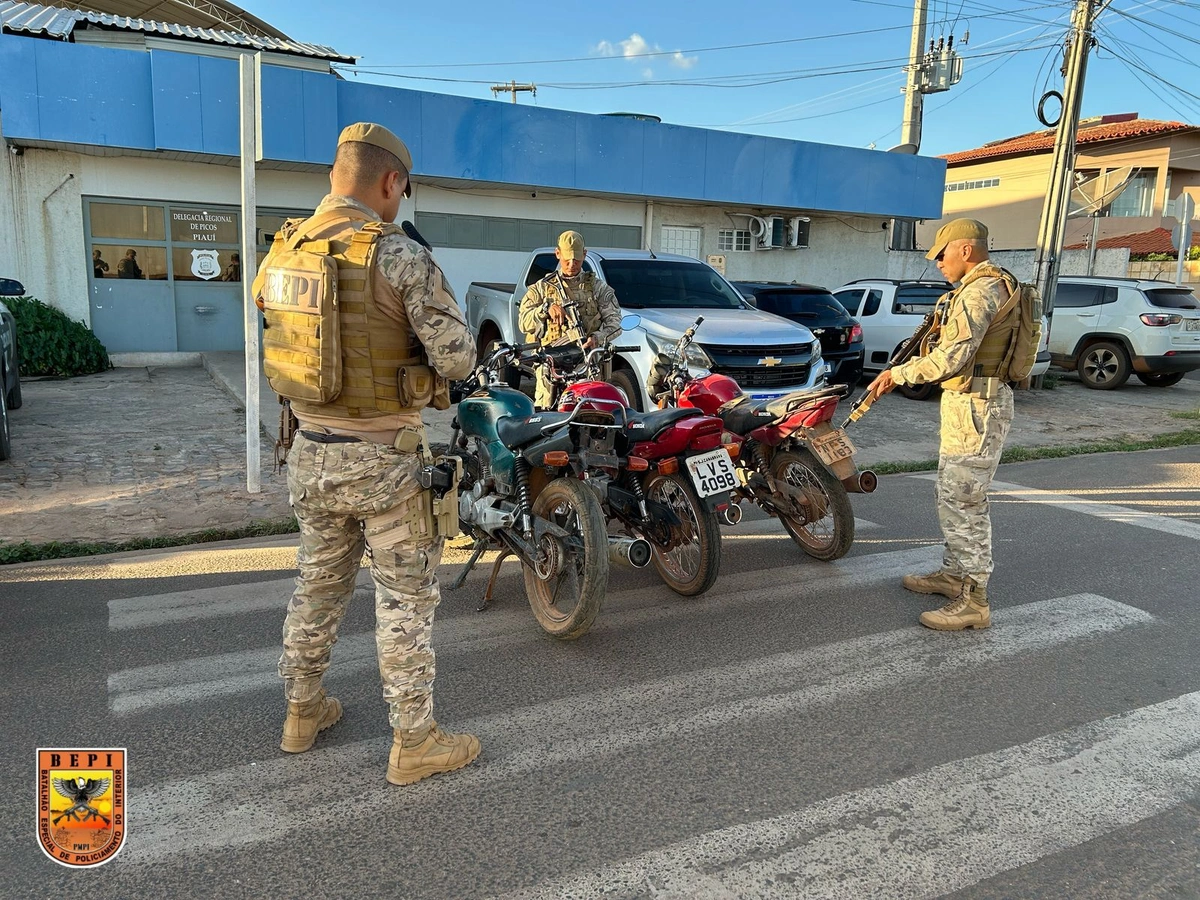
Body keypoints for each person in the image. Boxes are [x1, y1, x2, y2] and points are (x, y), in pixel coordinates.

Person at [256, 122, 479, 786]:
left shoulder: (282, 251)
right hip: (384, 462)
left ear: (336, 175)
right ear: (391, 182)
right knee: (404, 601)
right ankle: (414, 742)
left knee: (318, 585)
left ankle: (302, 713)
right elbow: (457, 359)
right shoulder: (399, 256)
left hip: (310, 454)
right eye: (401, 193)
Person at [864, 218, 1016, 631]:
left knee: (963, 500)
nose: (938, 263)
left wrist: (898, 374)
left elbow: (951, 358)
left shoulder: (979, 291)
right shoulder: (992, 285)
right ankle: (953, 575)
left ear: (965, 250)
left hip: (976, 406)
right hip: (971, 404)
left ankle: (975, 601)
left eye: (942, 254)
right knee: (951, 493)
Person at [517, 230, 623, 408]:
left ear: (585, 255)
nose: (572, 264)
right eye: (567, 259)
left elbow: (615, 322)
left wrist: (597, 337)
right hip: (551, 367)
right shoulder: (541, 288)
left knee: (589, 413)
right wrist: (545, 310)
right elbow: (523, 322)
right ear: (557, 253)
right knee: (546, 413)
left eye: (577, 260)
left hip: (586, 365)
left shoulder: (598, 288)